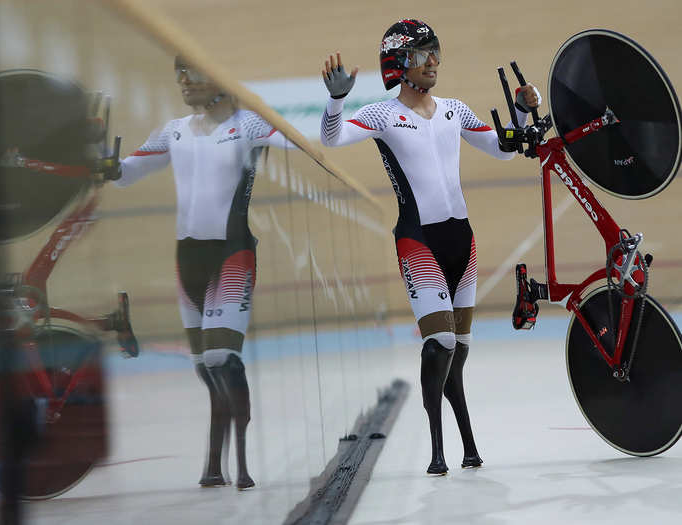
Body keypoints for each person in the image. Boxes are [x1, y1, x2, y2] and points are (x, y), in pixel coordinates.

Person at [319, 19, 540, 475]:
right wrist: (336, 100)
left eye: (436, 51)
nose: (434, 61)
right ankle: (437, 448)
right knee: (437, 344)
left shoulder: (454, 109)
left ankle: (467, 447)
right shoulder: (383, 115)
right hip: (418, 241)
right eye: (424, 55)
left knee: (458, 350)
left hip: (462, 239)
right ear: (400, 64)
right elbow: (331, 137)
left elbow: (502, 149)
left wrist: (519, 115)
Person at [110, 56, 293, 489]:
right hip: (187, 260)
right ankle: (215, 465)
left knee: (222, 359)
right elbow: (126, 174)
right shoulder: (173, 130)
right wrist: (107, 166)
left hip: (232, 254)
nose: (183, 82)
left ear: (219, 79)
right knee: (205, 368)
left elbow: (296, 141)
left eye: (193, 73)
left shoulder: (247, 125)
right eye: (178, 75)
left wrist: (327, 106)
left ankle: (244, 461)